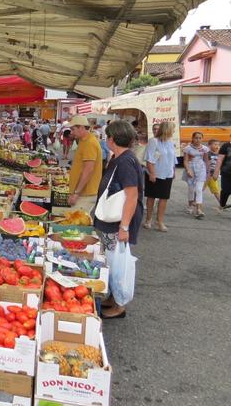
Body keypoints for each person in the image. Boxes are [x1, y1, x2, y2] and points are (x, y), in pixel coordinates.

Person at [93, 120, 143, 319]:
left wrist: (124, 227)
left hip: (118, 222)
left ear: (112, 139)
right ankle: (114, 297)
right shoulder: (120, 158)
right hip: (113, 221)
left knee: (118, 264)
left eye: (107, 137)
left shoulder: (125, 162)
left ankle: (119, 304)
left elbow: (132, 196)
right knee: (112, 261)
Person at [143, 121, 177, 231]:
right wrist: (152, 173)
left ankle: (160, 221)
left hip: (167, 174)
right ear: (167, 130)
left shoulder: (171, 142)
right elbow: (149, 159)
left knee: (164, 198)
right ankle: (148, 219)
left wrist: (173, 171)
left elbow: (173, 159)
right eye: (172, 129)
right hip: (155, 173)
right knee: (151, 197)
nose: (173, 131)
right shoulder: (154, 141)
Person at [68, 115, 103, 213]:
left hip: (85, 194)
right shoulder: (83, 140)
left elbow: (88, 170)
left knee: (76, 221)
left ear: (81, 127)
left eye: (73, 129)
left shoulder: (89, 143)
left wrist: (76, 193)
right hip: (83, 192)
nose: (71, 132)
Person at [182, 132, 210, 219]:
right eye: (196, 138)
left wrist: (208, 172)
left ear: (202, 139)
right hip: (191, 168)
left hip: (201, 169)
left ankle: (199, 209)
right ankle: (190, 206)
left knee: (199, 189)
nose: (198, 140)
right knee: (191, 189)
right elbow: (185, 161)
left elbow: (206, 160)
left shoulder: (205, 148)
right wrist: (188, 170)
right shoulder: (187, 148)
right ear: (192, 138)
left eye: (200, 138)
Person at [213, 137, 231, 209]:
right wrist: (216, 172)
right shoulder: (225, 146)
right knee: (226, 190)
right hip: (226, 173)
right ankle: (222, 204)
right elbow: (220, 160)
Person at [205, 139, 221, 206]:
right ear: (209, 145)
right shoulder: (207, 153)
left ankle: (221, 203)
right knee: (200, 189)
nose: (217, 146)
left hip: (213, 175)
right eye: (215, 144)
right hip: (205, 175)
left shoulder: (219, 154)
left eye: (218, 145)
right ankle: (194, 201)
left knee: (215, 189)